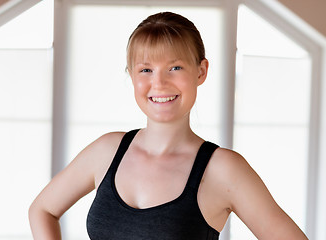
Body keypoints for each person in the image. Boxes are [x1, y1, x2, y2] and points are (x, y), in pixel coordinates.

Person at [29, 12, 308, 240]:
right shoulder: (106, 151)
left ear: (201, 71)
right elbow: (42, 210)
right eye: (145, 70)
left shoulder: (223, 169)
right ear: (132, 76)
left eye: (175, 68)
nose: (159, 83)